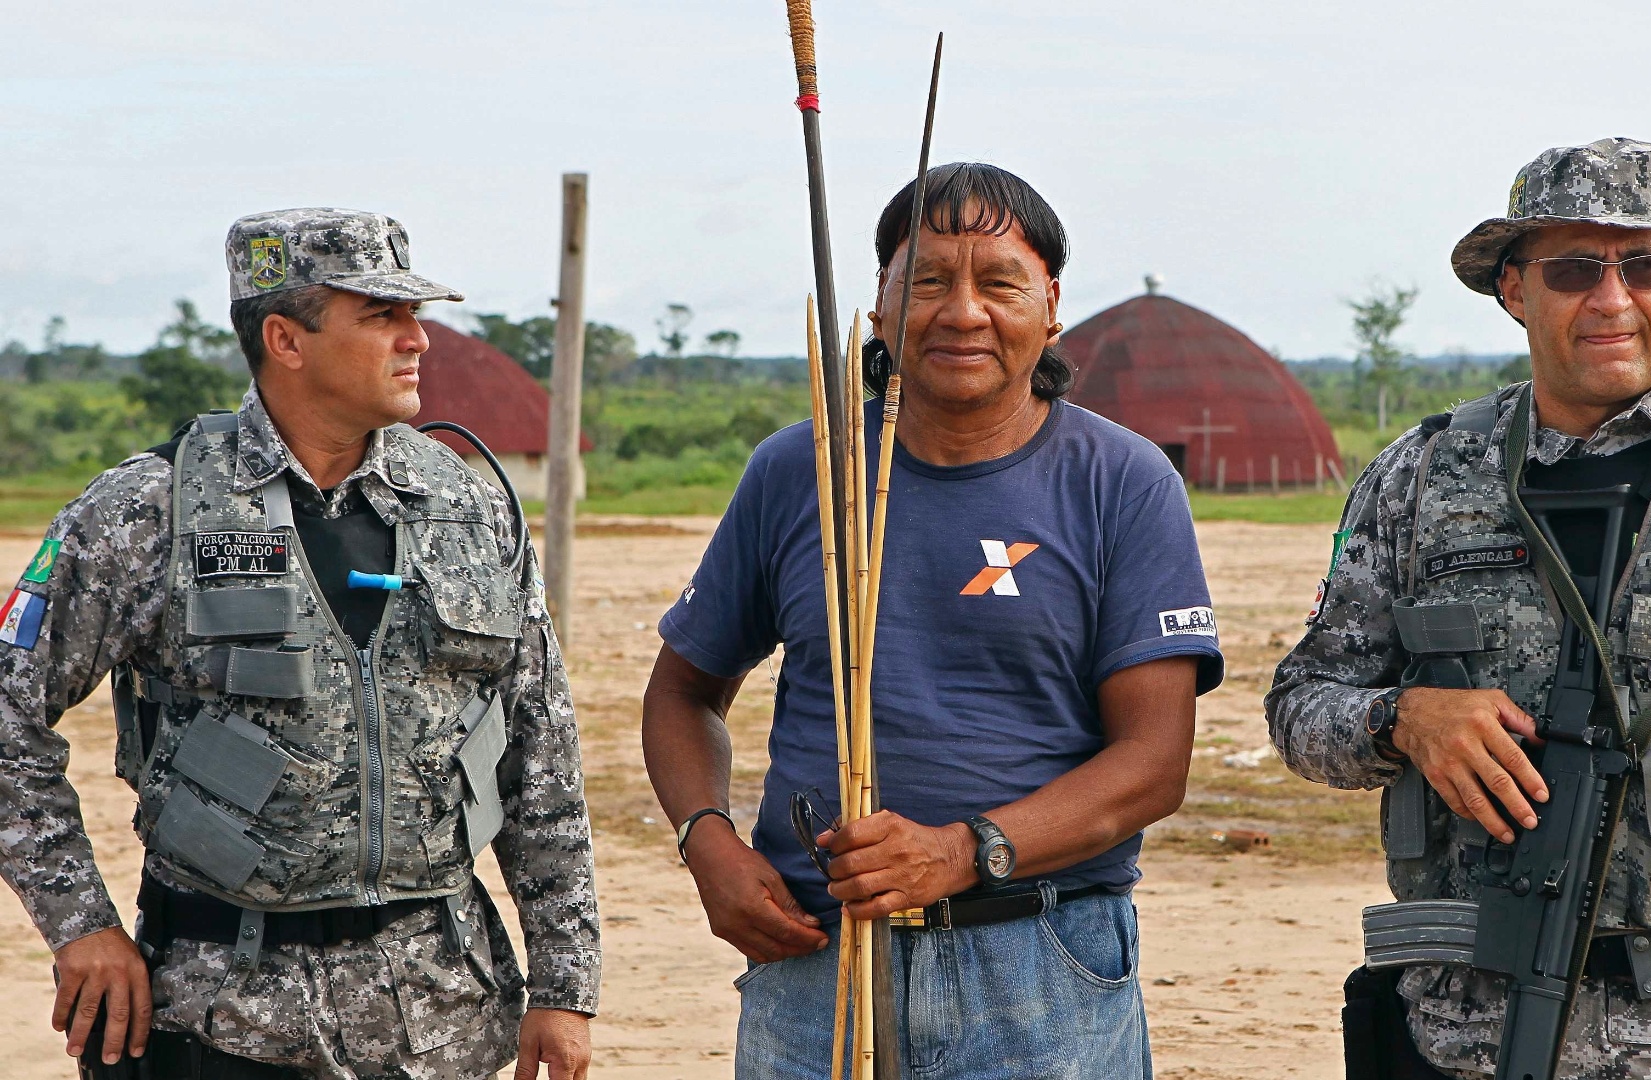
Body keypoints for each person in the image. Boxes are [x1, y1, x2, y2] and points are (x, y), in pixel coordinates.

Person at [1268, 138, 1651, 1080]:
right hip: (1462, 1035)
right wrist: (1400, 719)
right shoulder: (1423, 475)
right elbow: (1299, 705)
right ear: (1514, 290)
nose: (1611, 299)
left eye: (1644, 265)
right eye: (1572, 269)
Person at [642, 162, 1223, 1077]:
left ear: (1052, 305)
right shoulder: (803, 469)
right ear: (877, 306)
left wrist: (964, 851)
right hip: (813, 965)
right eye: (926, 281)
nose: (962, 312)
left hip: (1040, 963)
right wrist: (704, 840)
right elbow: (683, 693)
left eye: (999, 282)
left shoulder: (1122, 481)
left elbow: (1151, 766)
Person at [0, 208, 599, 1080]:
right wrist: (80, 923)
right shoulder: (150, 509)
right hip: (220, 1022)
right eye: (381, 316)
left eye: (414, 315)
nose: (418, 340)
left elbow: (541, 746)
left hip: (442, 1028)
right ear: (286, 339)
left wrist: (565, 983)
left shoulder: (466, 509)